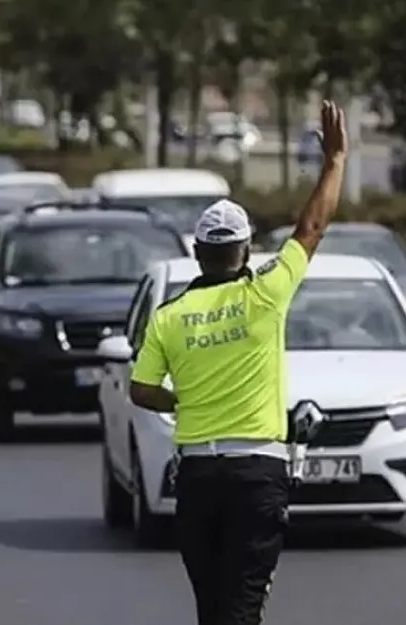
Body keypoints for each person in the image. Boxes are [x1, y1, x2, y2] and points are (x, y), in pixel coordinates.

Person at [127, 101, 348, 625]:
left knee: (213, 610)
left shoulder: (170, 316)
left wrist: (181, 399)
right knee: (242, 608)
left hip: (199, 477)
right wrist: (335, 162)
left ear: (198, 253)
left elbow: (140, 390)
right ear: (245, 252)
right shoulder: (266, 294)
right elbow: (312, 227)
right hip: (258, 475)